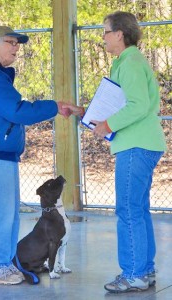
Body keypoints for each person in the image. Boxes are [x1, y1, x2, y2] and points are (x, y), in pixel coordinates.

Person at [0, 26, 84, 285]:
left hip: (4, 154)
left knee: (10, 213)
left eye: (18, 43)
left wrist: (55, 107)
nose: (16, 47)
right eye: (10, 42)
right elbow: (17, 111)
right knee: (2, 212)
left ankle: (5, 263)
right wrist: (56, 106)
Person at [91, 12, 167, 293]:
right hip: (140, 143)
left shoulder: (131, 62)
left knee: (128, 210)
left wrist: (108, 124)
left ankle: (133, 273)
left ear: (119, 34)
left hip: (135, 145)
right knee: (138, 209)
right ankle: (144, 270)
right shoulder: (127, 61)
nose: (103, 38)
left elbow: (137, 104)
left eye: (105, 32)